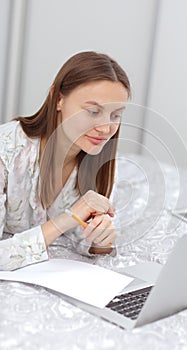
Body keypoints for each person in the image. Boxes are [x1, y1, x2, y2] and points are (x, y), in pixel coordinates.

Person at [0, 51, 131, 270]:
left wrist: (100, 240)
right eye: (93, 111)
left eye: (116, 115)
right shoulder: (6, 151)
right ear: (58, 99)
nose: (106, 128)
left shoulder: (100, 164)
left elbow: (81, 240)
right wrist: (68, 218)